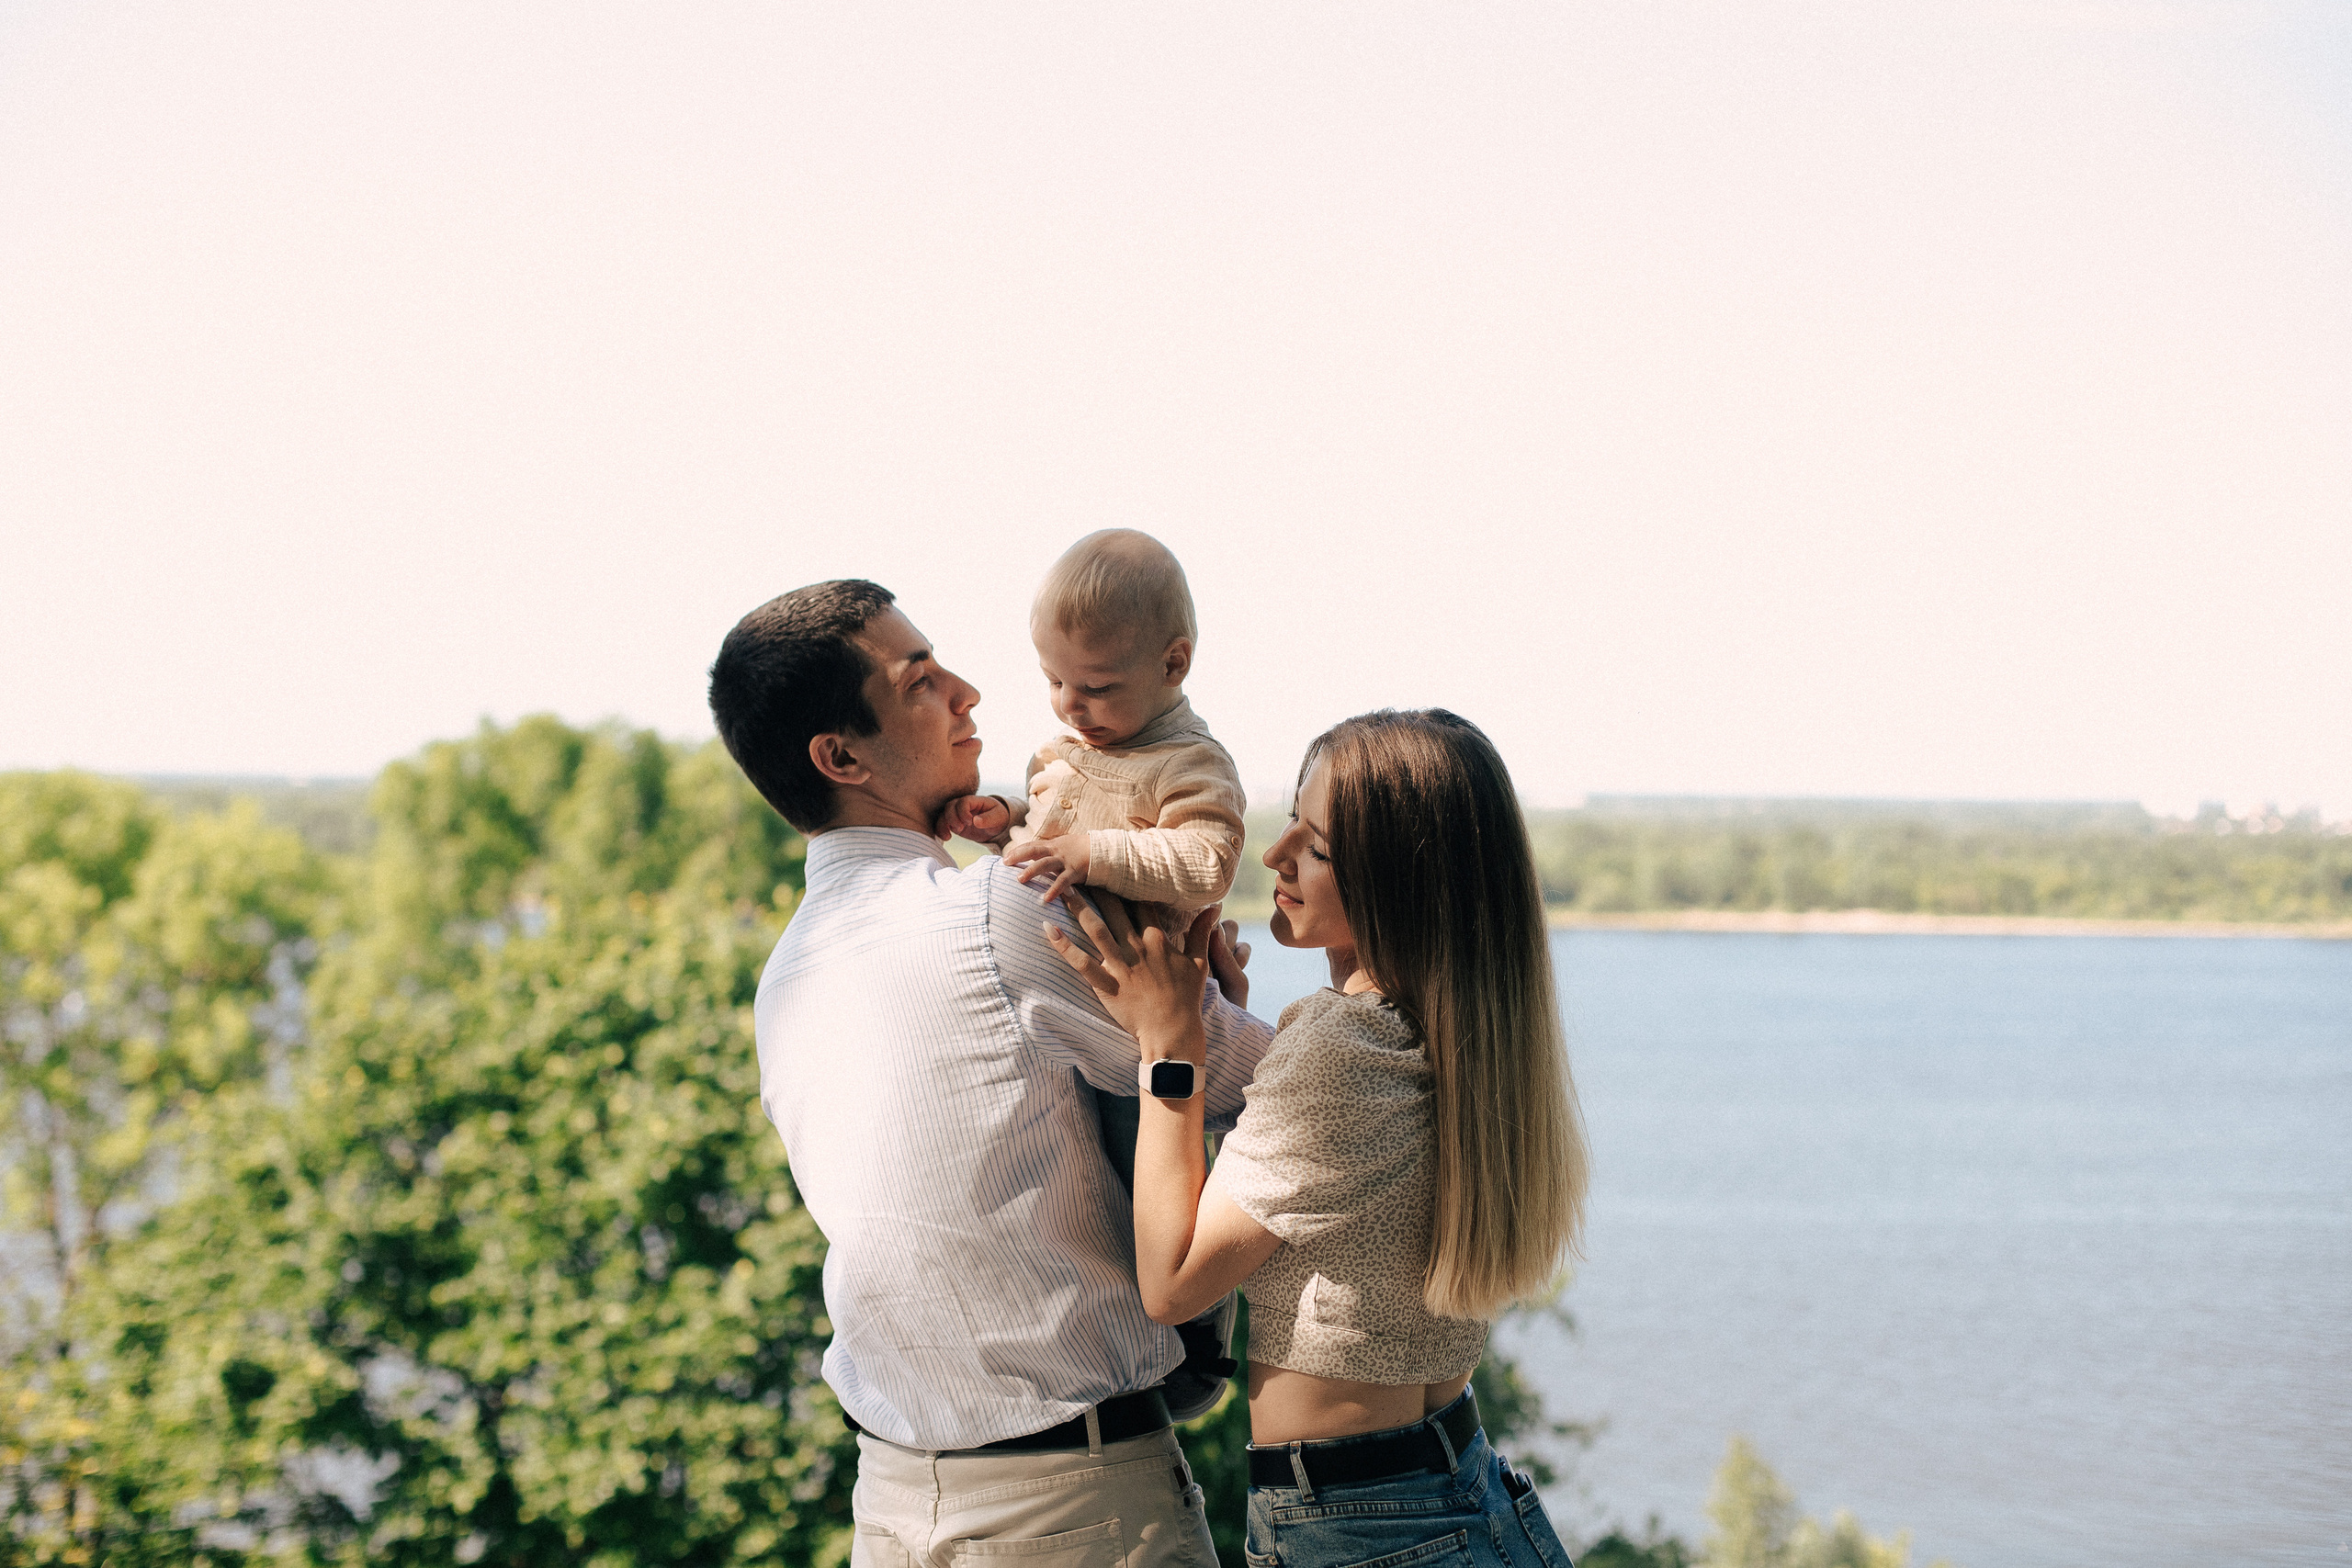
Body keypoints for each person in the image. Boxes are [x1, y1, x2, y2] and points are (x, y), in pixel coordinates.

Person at [707, 580, 1271, 1568]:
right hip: (1071, 1513)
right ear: (840, 757)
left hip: (890, 1508)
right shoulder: (999, 913)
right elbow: (1261, 1086)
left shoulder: (782, 980)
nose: (969, 692)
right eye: (921, 682)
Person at [1046, 709, 1590, 1568]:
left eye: (1321, 847)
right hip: (1463, 1496)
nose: (1276, 852)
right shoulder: (1452, 1037)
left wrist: (1171, 1048)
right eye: (1293, 818)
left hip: (1361, 1526)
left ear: (1401, 880)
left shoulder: (1340, 1047)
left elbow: (1174, 1280)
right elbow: (1330, 1175)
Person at [940, 527, 1248, 930]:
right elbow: (1050, 835)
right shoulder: (1061, 752)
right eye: (1055, 681)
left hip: (1120, 983)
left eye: (1097, 687)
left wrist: (1090, 856)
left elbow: (1209, 861)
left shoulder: (1190, 763)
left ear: (1173, 664)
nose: (1068, 704)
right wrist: (1006, 822)